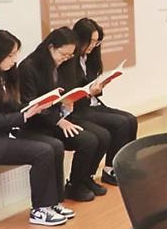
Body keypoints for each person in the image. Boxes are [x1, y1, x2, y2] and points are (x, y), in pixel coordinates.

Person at [0, 30, 73, 226]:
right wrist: (24, 116)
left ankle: (53, 202)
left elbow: (13, 107)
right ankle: (39, 209)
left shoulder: (1, 77)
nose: (14, 60)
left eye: (15, 54)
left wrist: (37, 106)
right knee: (42, 151)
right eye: (10, 55)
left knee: (55, 146)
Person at [18, 27, 108, 202]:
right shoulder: (29, 67)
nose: (66, 59)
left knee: (102, 135)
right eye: (63, 54)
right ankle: (73, 187)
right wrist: (59, 120)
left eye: (69, 56)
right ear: (51, 47)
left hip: (61, 116)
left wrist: (69, 102)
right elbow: (31, 104)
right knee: (88, 140)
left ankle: (82, 180)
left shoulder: (65, 64)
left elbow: (66, 91)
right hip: (40, 123)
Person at [59, 18, 137, 185]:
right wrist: (89, 91)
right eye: (91, 41)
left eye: (97, 42)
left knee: (131, 119)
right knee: (120, 123)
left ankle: (125, 165)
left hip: (94, 104)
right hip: (80, 109)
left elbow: (91, 84)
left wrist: (100, 86)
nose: (93, 46)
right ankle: (110, 170)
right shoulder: (69, 60)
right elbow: (70, 92)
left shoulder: (90, 58)